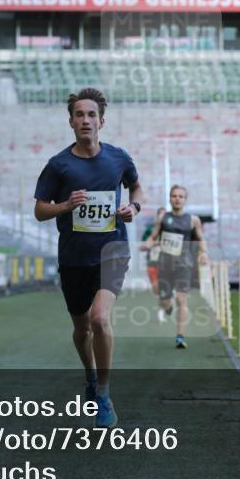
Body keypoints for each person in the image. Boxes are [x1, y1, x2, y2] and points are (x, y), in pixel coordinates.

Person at [34, 88, 145, 428]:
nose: (86, 120)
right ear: (71, 122)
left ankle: (105, 394)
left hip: (113, 250)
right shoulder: (58, 165)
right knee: (81, 329)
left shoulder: (118, 159)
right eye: (79, 115)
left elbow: (137, 188)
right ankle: (91, 376)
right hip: (73, 258)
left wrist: (133, 207)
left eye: (91, 115)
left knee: (100, 319)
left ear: (102, 121)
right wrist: (66, 205)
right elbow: (40, 210)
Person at [142, 185, 208, 349]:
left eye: (180, 196)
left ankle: (180, 336)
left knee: (181, 299)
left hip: (184, 264)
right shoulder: (163, 218)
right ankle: (168, 306)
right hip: (165, 264)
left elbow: (200, 238)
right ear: (170, 198)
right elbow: (153, 235)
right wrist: (148, 244)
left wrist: (204, 252)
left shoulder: (193, 220)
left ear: (185, 200)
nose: (177, 198)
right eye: (174, 196)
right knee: (165, 300)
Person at [139, 207, 166, 296]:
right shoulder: (151, 229)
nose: (163, 217)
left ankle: (166, 305)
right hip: (152, 262)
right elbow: (143, 246)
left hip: (166, 263)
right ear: (157, 216)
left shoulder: (171, 230)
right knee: (155, 287)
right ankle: (164, 305)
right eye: (161, 214)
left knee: (165, 287)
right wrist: (155, 243)